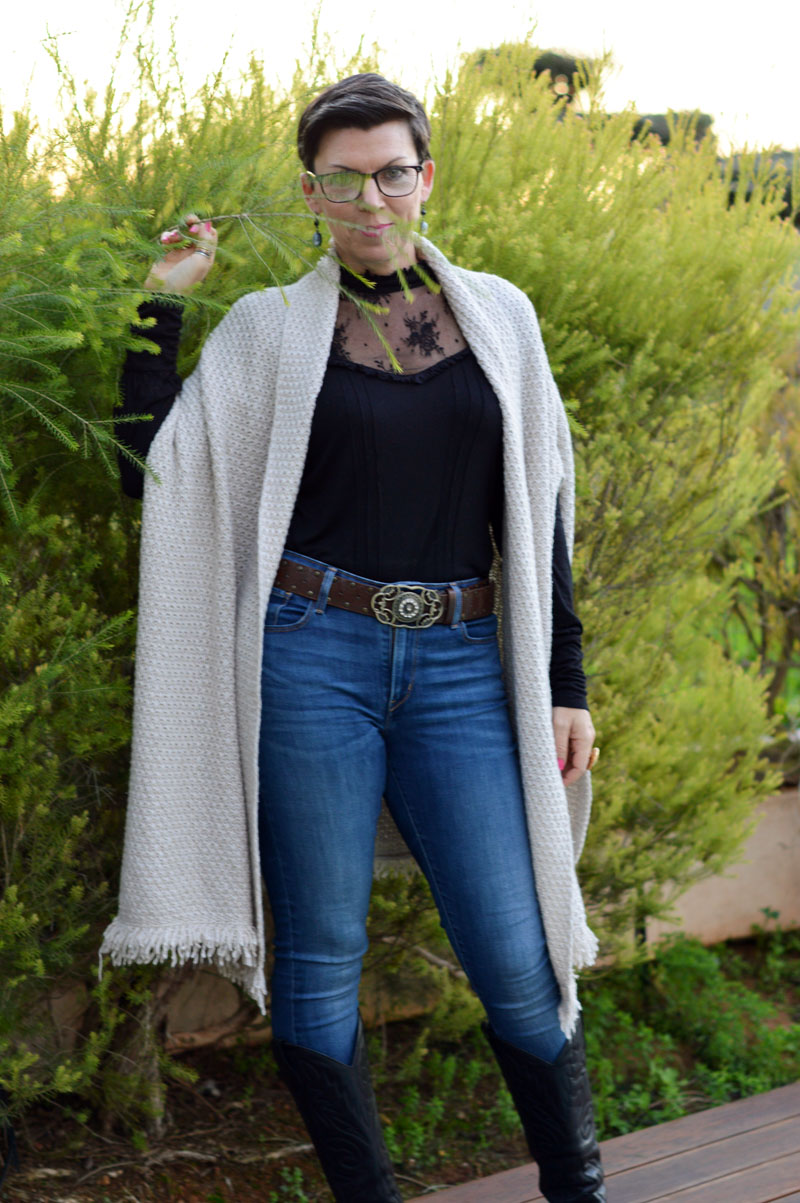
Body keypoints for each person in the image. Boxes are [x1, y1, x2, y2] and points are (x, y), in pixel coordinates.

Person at [103, 73, 605, 1202]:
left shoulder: (501, 318)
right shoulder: (268, 328)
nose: (370, 199)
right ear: (310, 193)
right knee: (322, 959)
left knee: (516, 953)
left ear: (425, 178)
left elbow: (541, 509)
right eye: (343, 180)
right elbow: (152, 472)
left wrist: (563, 678)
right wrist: (160, 304)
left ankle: (580, 1190)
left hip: (463, 667)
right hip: (309, 657)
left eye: (391, 173)